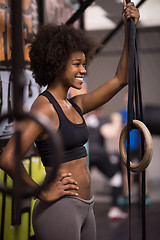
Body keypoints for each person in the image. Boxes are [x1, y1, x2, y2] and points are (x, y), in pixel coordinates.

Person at [0, 1, 140, 240]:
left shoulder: (76, 104)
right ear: (56, 64)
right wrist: (41, 192)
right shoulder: (44, 109)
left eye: (84, 64)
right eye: (77, 64)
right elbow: (7, 158)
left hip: (87, 206)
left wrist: (129, 30)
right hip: (60, 209)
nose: (83, 70)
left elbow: (121, 78)